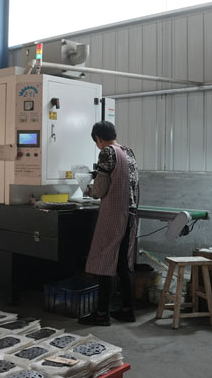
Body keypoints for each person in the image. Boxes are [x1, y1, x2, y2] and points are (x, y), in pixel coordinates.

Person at [79, 121, 139, 326]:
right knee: (122, 264)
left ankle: (101, 314)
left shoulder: (107, 152)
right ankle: (127, 310)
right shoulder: (128, 152)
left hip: (114, 214)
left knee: (105, 261)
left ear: (98, 138)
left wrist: (86, 188)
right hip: (129, 214)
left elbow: (99, 191)